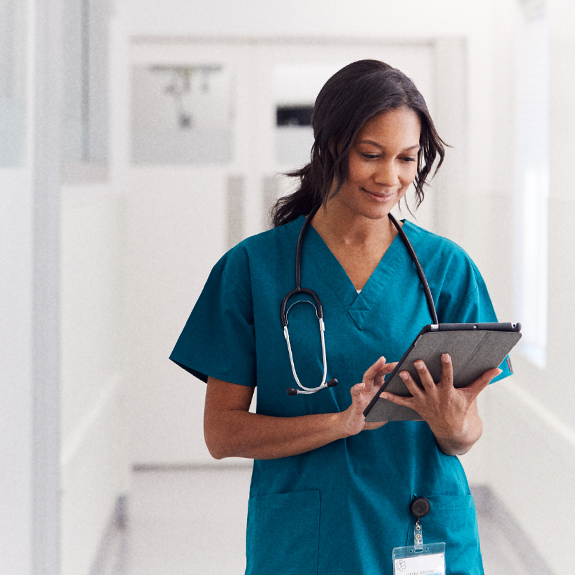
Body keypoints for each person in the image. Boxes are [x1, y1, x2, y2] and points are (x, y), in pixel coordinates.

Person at [169, 59, 511, 575]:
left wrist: (453, 425)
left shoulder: (446, 270)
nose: (390, 177)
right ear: (330, 147)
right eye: (370, 154)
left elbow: (465, 431)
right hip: (309, 539)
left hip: (422, 526)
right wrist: (341, 423)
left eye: (406, 158)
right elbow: (223, 433)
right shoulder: (253, 268)